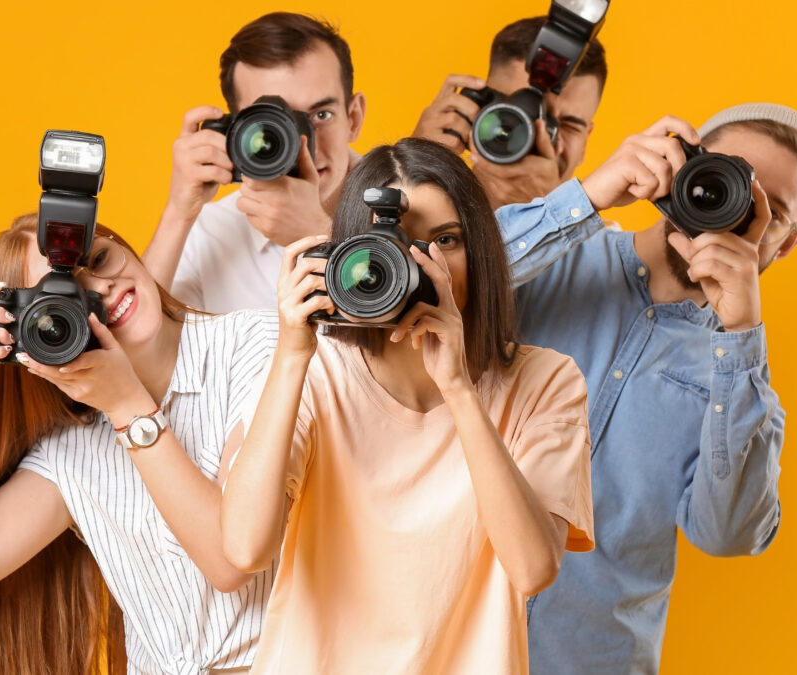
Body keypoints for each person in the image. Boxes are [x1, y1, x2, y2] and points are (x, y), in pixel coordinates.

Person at [219, 138, 595, 674]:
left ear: (483, 248)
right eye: (393, 246)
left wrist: (459, 388)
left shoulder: (546, 381)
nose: (421, 264)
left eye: (446, 240)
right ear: (348, 259)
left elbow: (533, 567)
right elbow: (244, 548)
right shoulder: (315, 373)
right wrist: (290, 355)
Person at [495, 103, 797, 674]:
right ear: (685, 166)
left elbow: (726, 535)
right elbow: (440, 283)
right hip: (444, 641)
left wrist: (742, 334)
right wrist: (586, 197)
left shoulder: (744, 383)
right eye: (731, 180)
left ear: (788, 243)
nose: (735, 216)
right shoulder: (552, 256)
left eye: (767, 213)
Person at [0, 214, 279, 674]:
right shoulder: (73, 449)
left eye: (100, 258)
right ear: (31, 331)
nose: (100, 289)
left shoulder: (258, 345)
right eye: (64, 295)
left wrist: (127, 407)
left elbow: (232, 561)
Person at [143, 12, 367, 313]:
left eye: (320, 115)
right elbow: (135, 348)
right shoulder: (210, 232)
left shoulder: (414, 204)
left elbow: (421, 345)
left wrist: (319, 236)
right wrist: (177, 214)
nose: (302, 144)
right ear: (236, 130)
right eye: (275, 124)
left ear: (353, 118)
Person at [412, 17, 606, 209]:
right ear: (478, 111)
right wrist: (414, 170)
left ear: (584, 144)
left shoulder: (603, 239)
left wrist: (546, 216)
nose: (542, 136)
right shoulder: (419, 211)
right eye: (522, 114)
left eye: (568, 126)